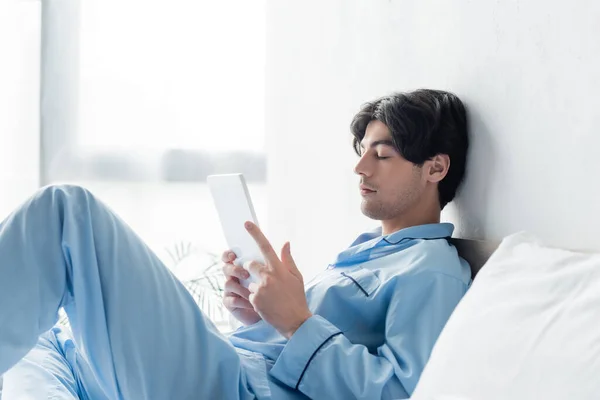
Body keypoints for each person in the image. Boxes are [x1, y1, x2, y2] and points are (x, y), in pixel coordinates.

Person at [0, 89, 470, 399]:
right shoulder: (367, 251)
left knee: (66, 212)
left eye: (382, 155)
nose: (361, 167)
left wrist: (296, 322)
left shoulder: (432, 270)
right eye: (363, 151)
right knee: (48, 336)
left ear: (435, 168)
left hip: (235, 389)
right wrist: (256, 314)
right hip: (231, 363)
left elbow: (401, 393)